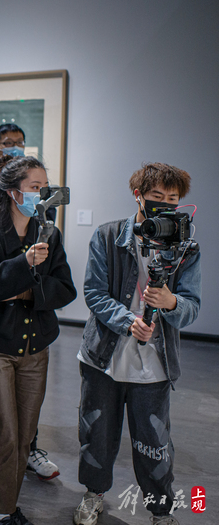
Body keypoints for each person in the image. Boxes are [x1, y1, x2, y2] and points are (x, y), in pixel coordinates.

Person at [73, 163, 200, 525]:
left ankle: (161, 511)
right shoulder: (108, 235)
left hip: (155, 365)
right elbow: (94, 293)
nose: (165, 204)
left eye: (172, 199)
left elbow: (191, 307)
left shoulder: (187, 247)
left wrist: (170, 302)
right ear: (138, 196)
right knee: (96, 434)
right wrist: (129, 322)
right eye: (156, 196)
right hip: (103, 357)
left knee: (153, 442)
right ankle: (94, 494)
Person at [0, 155, 76, 525]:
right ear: (13, 192)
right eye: (34, 187)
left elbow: (65, 289)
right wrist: (24, 265)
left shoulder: (50, 233)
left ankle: (9, 505)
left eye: (45, 187)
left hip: (35, 347)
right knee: (4, 433)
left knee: (25, 434)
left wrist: (24, 292)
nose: (41, 194)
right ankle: (1, 511)